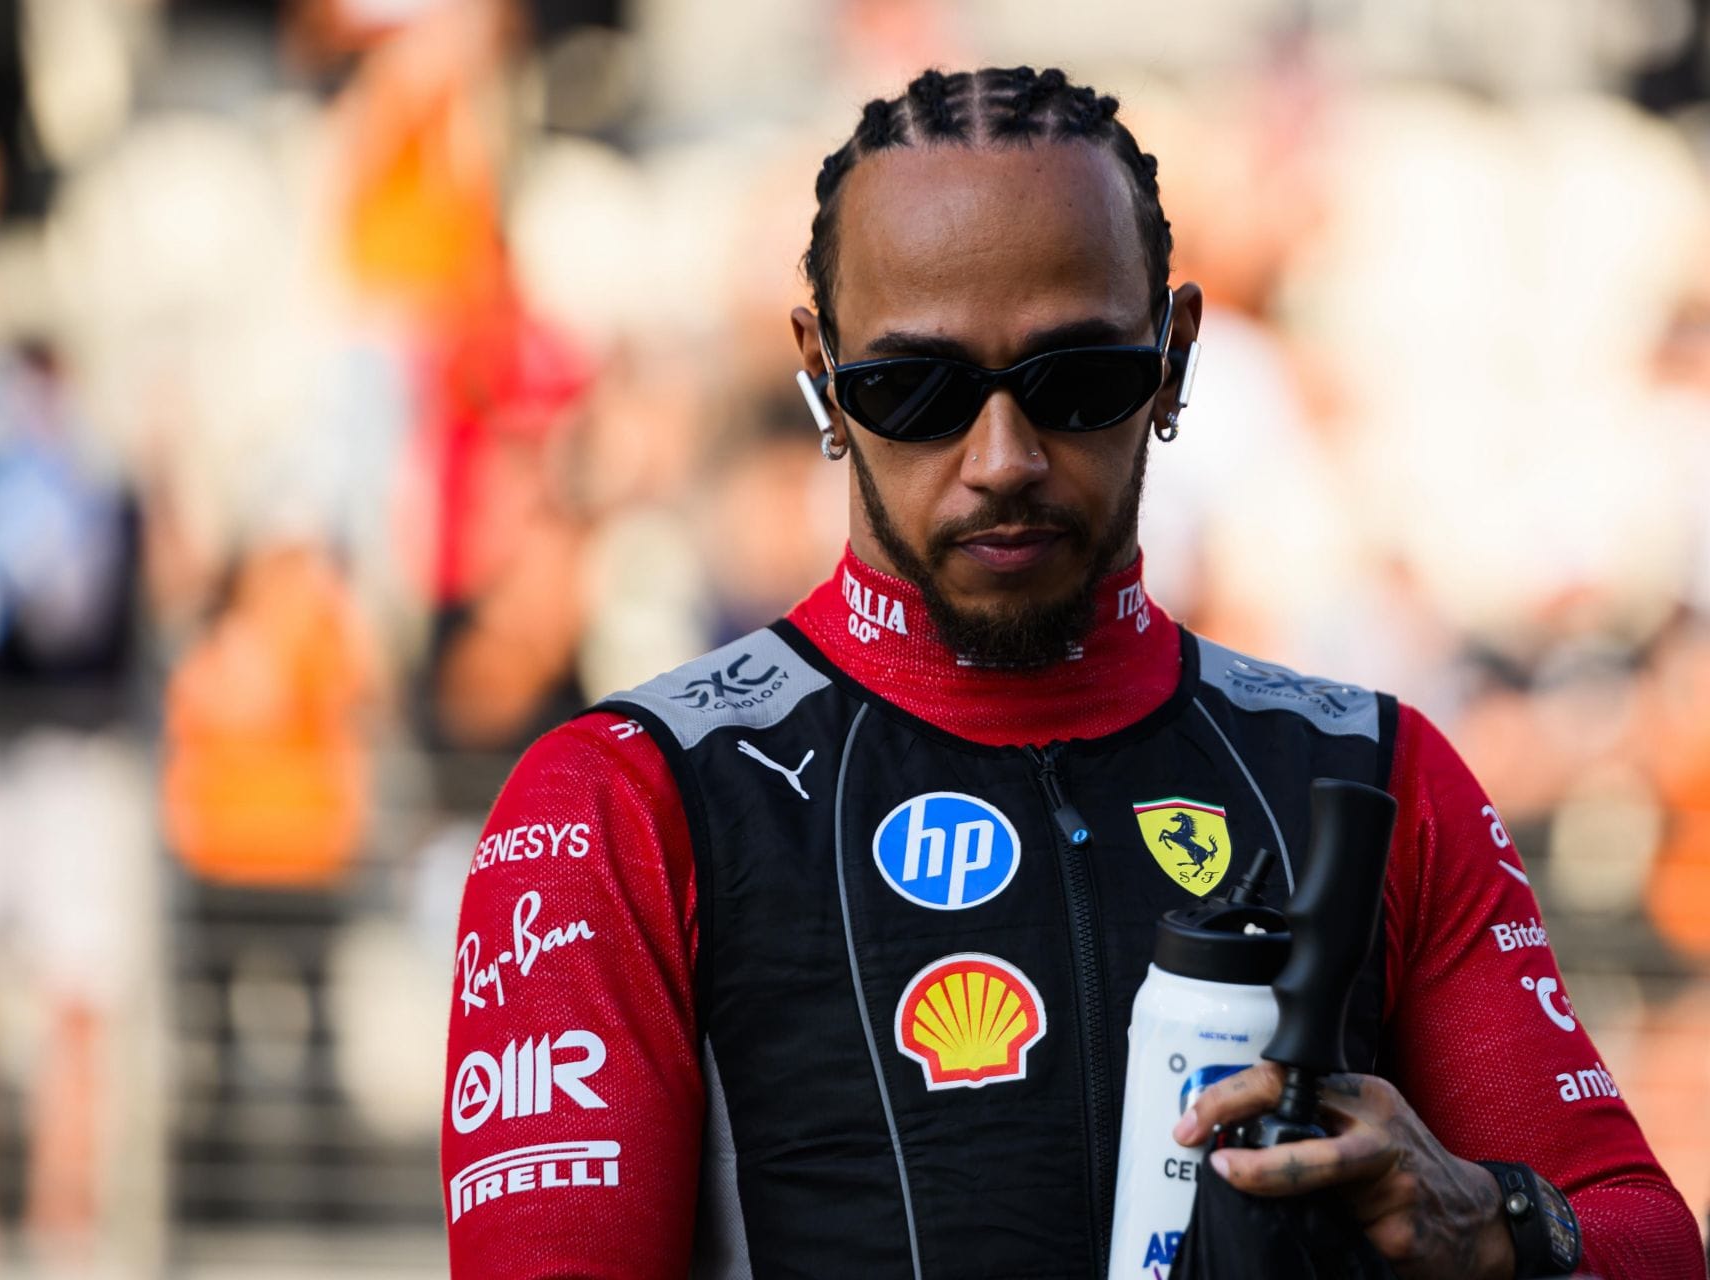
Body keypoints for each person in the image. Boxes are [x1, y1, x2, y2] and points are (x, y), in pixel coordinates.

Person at [438, 67, 1705, 1279]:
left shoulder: (1373, 772)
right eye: (917, 388)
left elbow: (1646, 1235)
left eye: (1078, 381)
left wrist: (1494, 1220)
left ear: (1176, 354)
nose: (1004, 456)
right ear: (822, 373)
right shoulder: (619, 799)